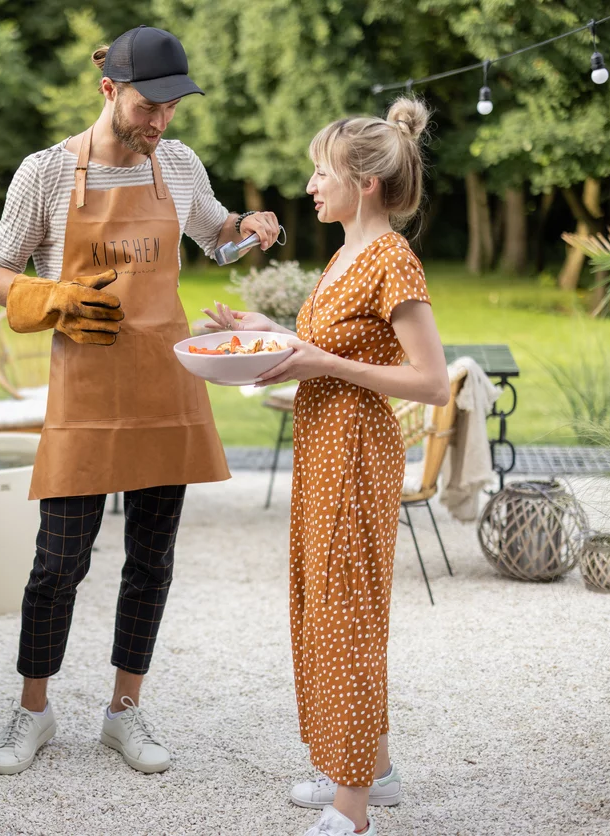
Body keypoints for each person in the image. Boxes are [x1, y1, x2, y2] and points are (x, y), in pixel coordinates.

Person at [0, 24, 280, 776]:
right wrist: (51, 297)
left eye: (172, 108)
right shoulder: (44, 174)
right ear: (107, 90)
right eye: (148, 106)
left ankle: (123, 712)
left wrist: (250, 228)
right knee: (56, 566)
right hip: (83, 391)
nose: (159, 123)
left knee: (151, 563)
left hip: (164, 386)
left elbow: (216, 239)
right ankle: (33, 713)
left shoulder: (176, 166)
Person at [206, 97, 448, 836]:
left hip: (354, 453)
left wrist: (316, 358)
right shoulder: (345, 254)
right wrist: (269, 332)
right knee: (324, 607)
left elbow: (430, 381)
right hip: (322, 446)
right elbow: (334, 350)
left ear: (364, 182)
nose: (310, 185)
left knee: (344, 614)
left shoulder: (390, 257)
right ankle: (373, 772)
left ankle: (351, 808)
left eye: (321, 172)